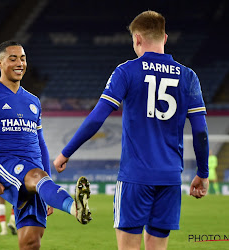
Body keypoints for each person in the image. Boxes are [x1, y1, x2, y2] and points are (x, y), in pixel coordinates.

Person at [53, 10, 209, 250]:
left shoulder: (126, 71)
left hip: (135, 177)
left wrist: (66, 152)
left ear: (137, 39)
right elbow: (200, 131)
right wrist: (203, 172)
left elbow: (97, 118)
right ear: (164, 38)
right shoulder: (188, 77)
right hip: (169, 178)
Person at [0, 40, 91, 250]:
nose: (20, 63)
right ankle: (75, 208)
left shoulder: (33, 101)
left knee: (30, 242)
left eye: (23, 58)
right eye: (13, 58)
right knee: (36, 175)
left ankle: (58, 197)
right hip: (6, 164)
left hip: (36, 177)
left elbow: (41, 143)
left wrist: (48, 189)